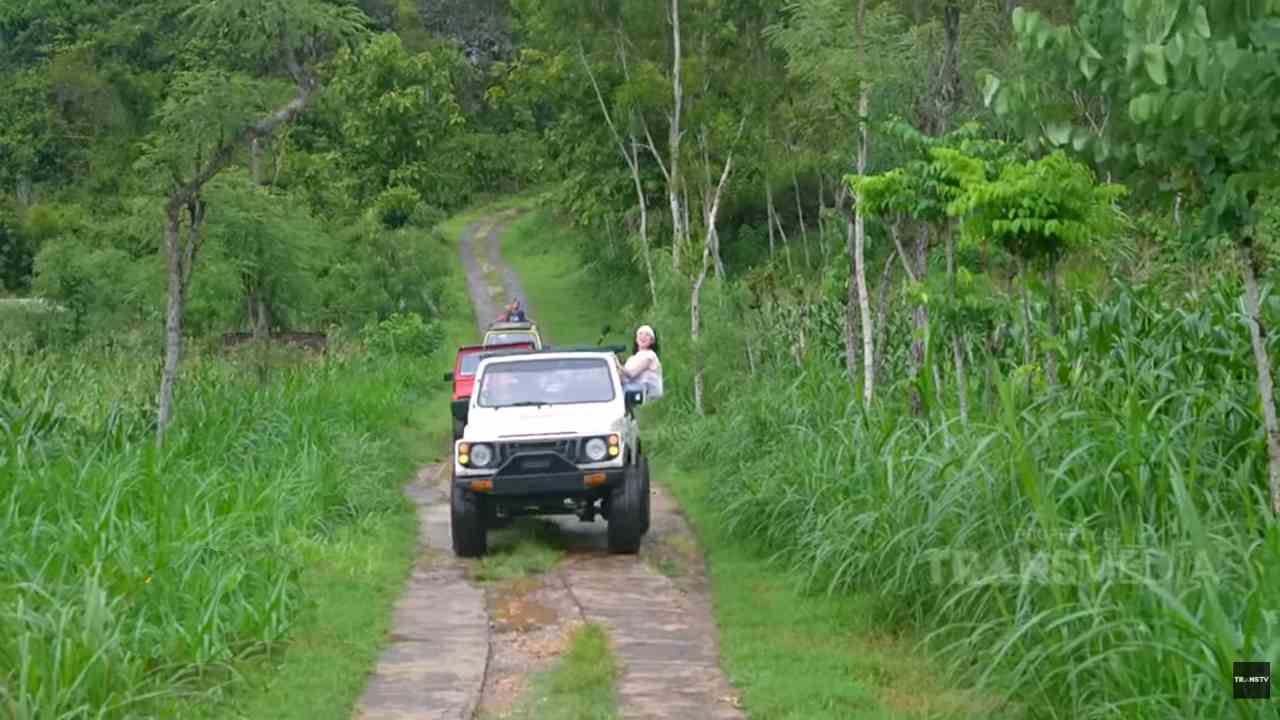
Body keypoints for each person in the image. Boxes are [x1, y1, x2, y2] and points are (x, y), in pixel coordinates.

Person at [620, 325, 663, 401]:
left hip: (646, 394)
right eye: (640, 333)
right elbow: (624, 378)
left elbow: (632, 373)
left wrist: (617, 364)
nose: (643, 336)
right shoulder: (632, 358)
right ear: (636, 339)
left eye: (647, 334)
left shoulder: (650, 355)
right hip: (633, 390)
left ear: (652, 341)